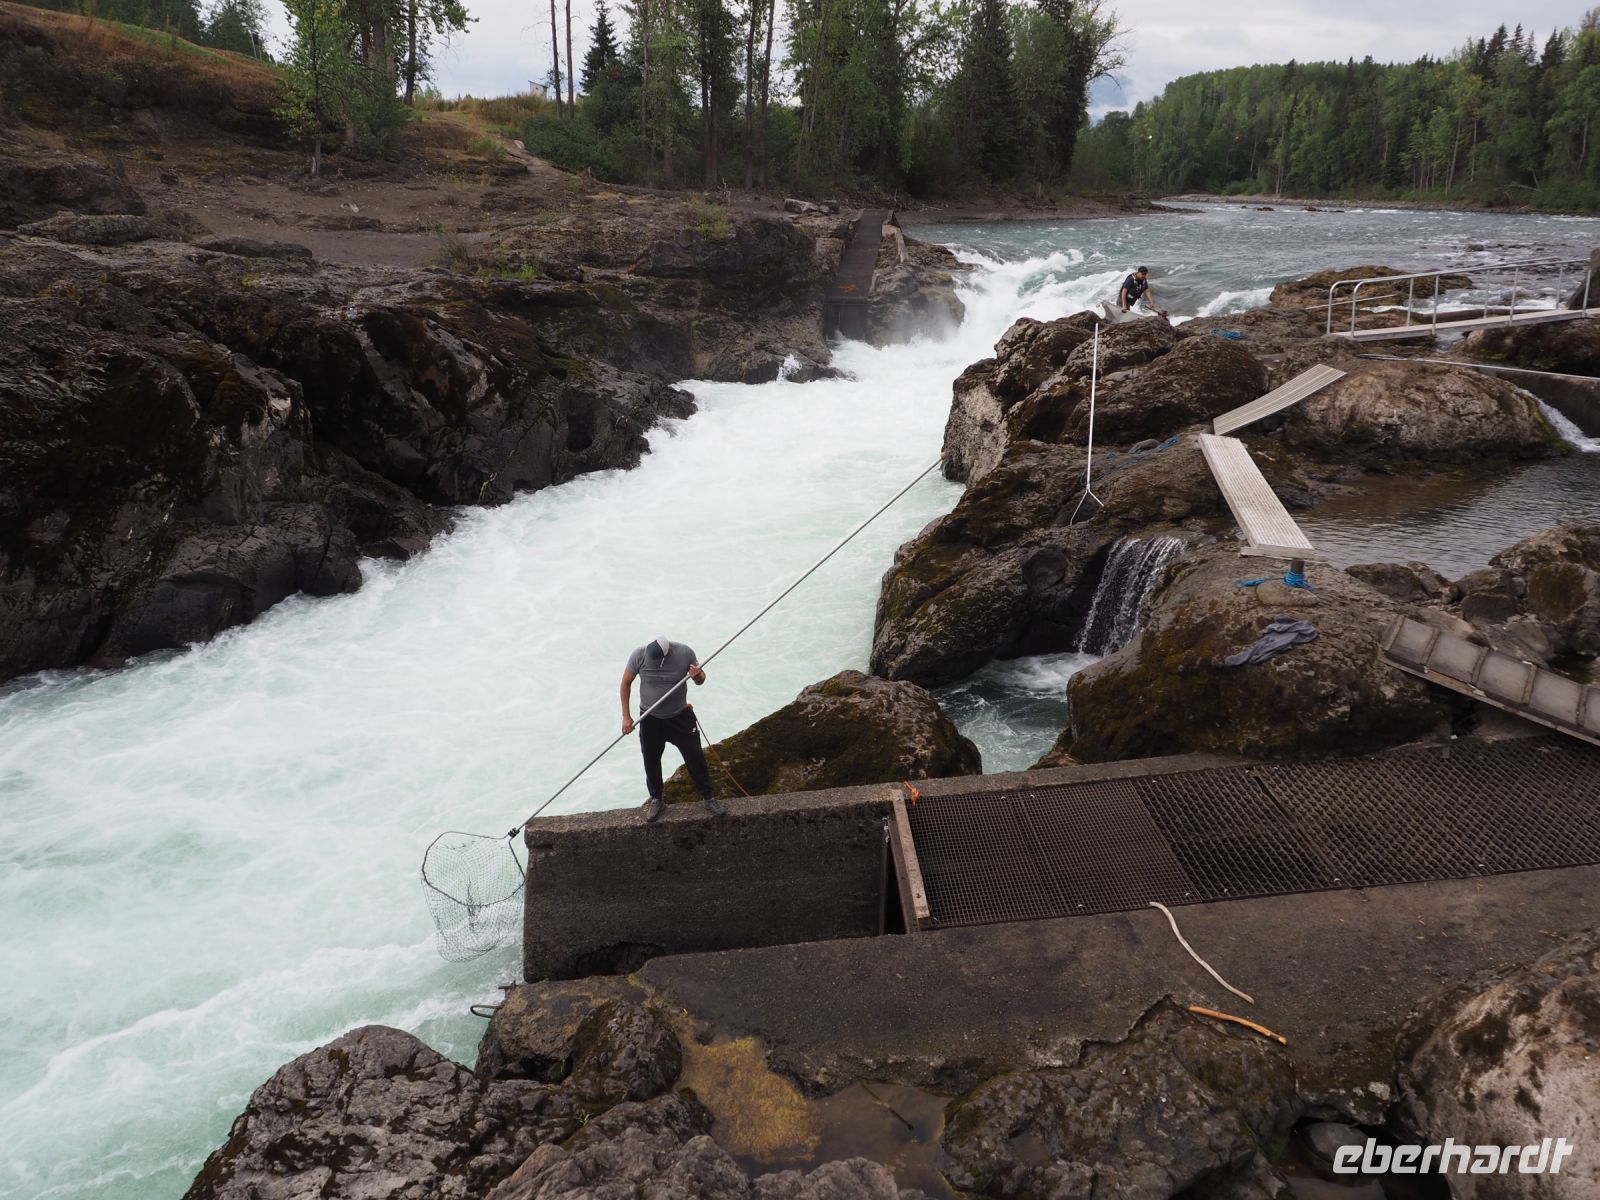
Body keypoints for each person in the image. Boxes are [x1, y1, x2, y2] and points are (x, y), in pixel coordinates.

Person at [621, 636, 726, 822]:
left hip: (679, 717)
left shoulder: (685, 653)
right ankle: (657, 799)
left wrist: (697, 675)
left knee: (695, 757)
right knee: (651, 760)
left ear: (666, 653)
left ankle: (708, 797)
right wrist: (626, 717)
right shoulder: (639, 655)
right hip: (650, 718)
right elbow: (625, 683)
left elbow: (701, 680)